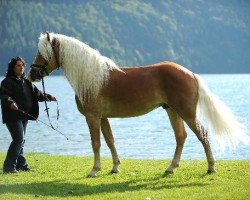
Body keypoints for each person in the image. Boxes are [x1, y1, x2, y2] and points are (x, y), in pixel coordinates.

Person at [0, 56, 56, 173]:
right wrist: (10, 103)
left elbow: (38, 94)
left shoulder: (26, 81)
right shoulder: (7, 82)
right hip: (13, 116)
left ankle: (22, 165)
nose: (21, 68)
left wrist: (49, 97)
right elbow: (4, 96)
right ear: (13, 68)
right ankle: (9, 167)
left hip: (24, 115)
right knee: (18, 139)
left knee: (21, 140)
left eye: (22, 65)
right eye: (18, 66)